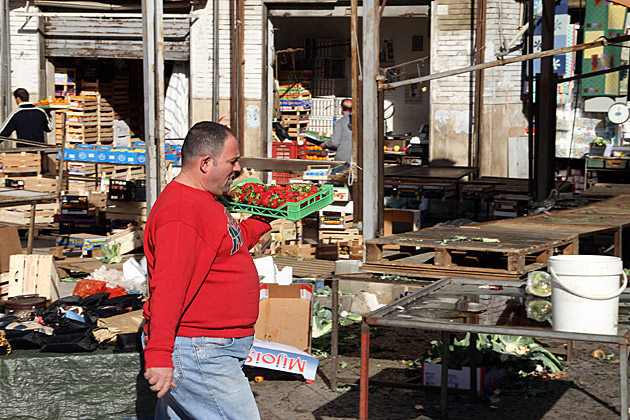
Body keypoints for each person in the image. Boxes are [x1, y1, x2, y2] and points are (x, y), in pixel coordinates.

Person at [142, 121, 272, 420]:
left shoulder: (204, 200)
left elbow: (228, 244)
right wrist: (160, 354)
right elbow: (170, 287)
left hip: (207, 347)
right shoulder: (181, 214)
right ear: (205, 162)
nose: (238, 168)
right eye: (232, 161)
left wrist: (265, 218)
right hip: (199, 350)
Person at [321, 98, 353, 162]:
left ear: (341, 108)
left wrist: (324, 145)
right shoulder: (360, 121)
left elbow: (334, 143)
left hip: (344, 159)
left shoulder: (340, 122)